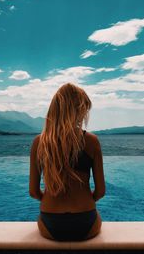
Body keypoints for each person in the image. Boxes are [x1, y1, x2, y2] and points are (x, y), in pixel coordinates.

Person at [29, 82, 106, 241]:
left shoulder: (40, 142)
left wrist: (50, 199)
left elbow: (33, 192)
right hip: (86, 221)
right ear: (79, 110)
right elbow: (100, 192)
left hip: (50, 222)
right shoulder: (91, 141)